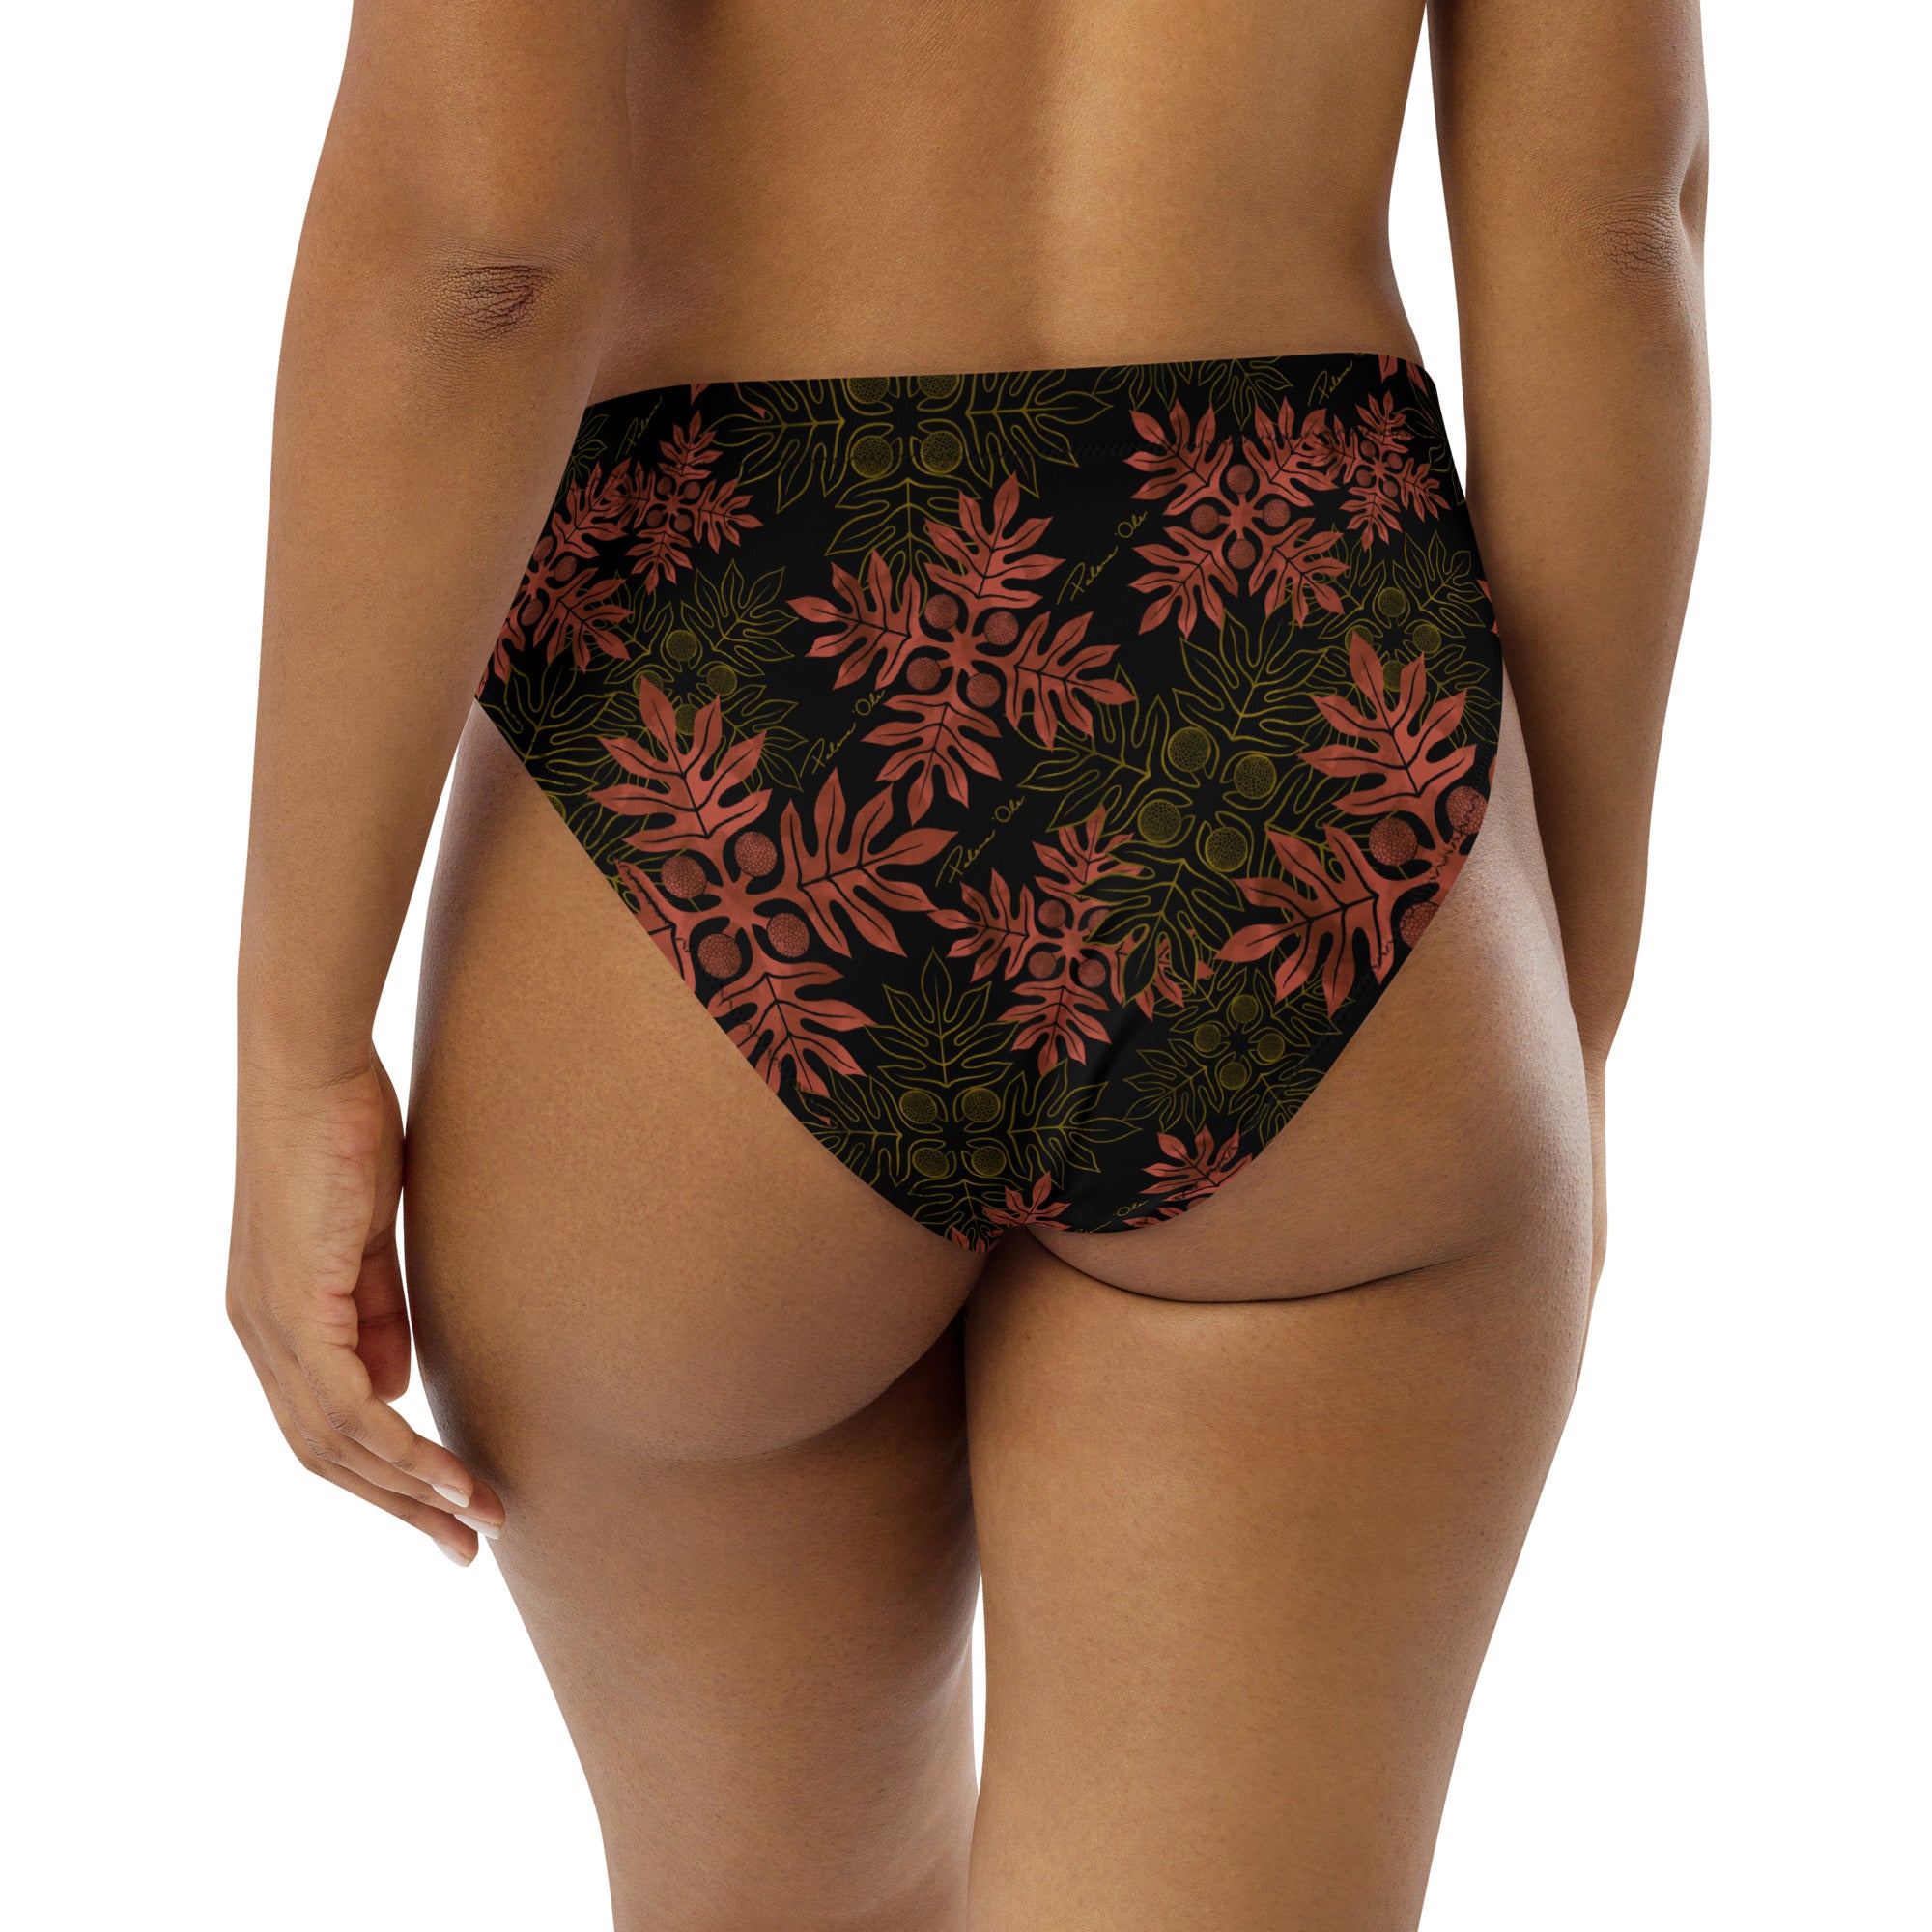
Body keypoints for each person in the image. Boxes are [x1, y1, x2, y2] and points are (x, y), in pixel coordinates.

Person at [226, 2, 1707, 1924]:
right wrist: (1560, 1005)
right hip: (1307, 725)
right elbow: (1611, 235)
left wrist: (298, 1040)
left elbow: (477, 252)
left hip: (718, 725)